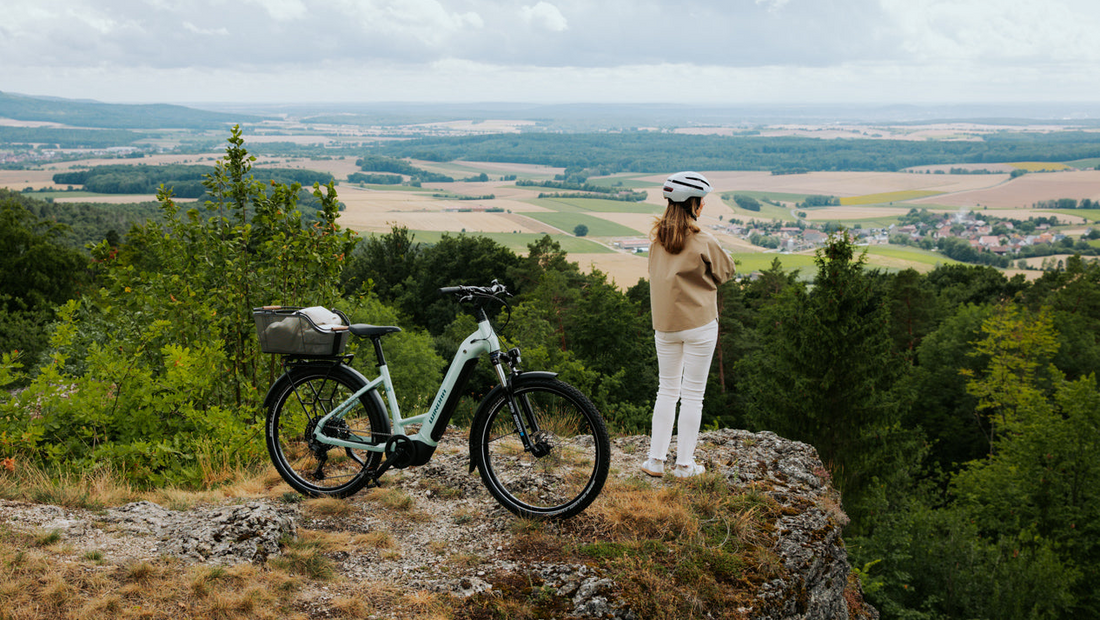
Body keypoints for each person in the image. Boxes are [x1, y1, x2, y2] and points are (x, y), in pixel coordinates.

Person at [641, 171, 735, 479]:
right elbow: (726, 272)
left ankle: (655, 461)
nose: (704, 204)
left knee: (666, 390)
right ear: (693, 203)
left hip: (665, 326)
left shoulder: (656, 240)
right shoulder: (703, 240)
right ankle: (684, 465)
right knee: (694, 395)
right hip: (699, 324)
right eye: (701, 200)